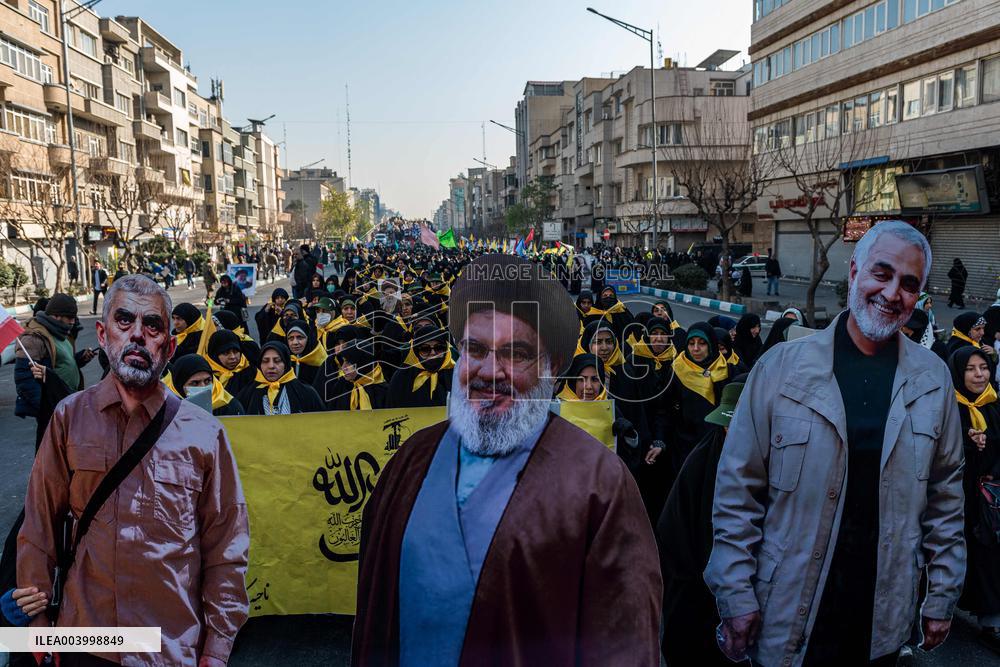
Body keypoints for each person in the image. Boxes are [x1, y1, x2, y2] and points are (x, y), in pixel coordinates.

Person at [352, 254, 661, 666]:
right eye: (475, 349)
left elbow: (624, 643)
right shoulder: (412, 460)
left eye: (515, 353)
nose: (489, 371)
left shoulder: (599, 484)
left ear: (551, 368)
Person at [707, 221, 964, 666]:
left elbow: (946, 496)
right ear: (854, 272)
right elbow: (737, 490)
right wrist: (735, 593)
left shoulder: (933, 380)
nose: (892, 294)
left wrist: (942, 593)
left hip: (881, 619)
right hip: (786, 611)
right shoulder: (780, 369)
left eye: (908, 284)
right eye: (881, 273)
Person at [17, 274, 250, 666]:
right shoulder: (69, 418)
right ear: (103, 334)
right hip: (84, 641)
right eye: (124, 321)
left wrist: (217, 647)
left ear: (169, 347)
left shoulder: (204, 433)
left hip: (169, 647)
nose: (138, 335)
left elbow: (226, 548)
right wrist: (38, 623)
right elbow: (39, 527)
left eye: (153, 325)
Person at [657, 379, 746, 667]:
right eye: (727, 426)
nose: (733, 433)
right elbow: (674, 538)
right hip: (697, 595)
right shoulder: (700, 465)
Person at [949, 346, 1000, 652]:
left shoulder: (994, 404)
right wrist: (966, 439)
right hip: (952, 498)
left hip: (987, 500)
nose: (980, 375)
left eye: (984, 367)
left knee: (989, 554)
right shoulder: (947, 406)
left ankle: (991, 621)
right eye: (970, 369)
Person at [14, 294, 94, 426]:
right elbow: (25, 378)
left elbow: (60, 363)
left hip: (68, 402)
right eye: (69, 317)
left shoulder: (60, 333)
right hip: (53, 410)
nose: (73, 322)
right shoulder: (34, 338)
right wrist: (45, 409)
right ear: (56, 316)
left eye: (74, 317)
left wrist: (80, 358)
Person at [236, 341, 324, 415]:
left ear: (286, 364)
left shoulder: (306, 393)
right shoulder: (247, 394)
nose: (271, 366)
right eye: (265, 361)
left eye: (277, 361)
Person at [384, 325, 454, 408]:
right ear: (416, 352)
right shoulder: (402, 377)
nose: (433, 353)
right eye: (425, 349)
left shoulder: (456, 375)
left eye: (439, 348)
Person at [168, 353, 245, 417]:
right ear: (179, 386)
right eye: (195, 383)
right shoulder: (168, 410)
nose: (203, 387)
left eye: (207, 381)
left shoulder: (230, 407)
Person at [285, 319, 327, 386]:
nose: (295, 342)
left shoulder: (320, 359)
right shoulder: (284, 359)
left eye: (300, 337)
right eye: (291, 338)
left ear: (308, 338)